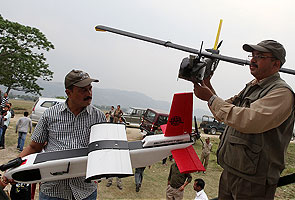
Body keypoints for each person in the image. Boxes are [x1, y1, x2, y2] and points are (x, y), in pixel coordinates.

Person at [193, 40, 295, 199]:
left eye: (260, 56)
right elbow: (225, 111)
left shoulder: (281, 93)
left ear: (276, 64)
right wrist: (206, 84)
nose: (253, 60)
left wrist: (211, 98)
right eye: (252, 55)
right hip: (232, 170)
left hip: (254, 180)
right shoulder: (252, 86)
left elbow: (248, 120)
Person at [4, 69, 106, 200]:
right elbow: (35, 147)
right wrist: (14, 166)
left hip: (85, 191)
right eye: (83, 90)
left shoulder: (98, 117)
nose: (89, 93)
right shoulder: (50, 115)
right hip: (53, 191)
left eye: (90, 89)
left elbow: (103, 150)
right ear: (68, 92)